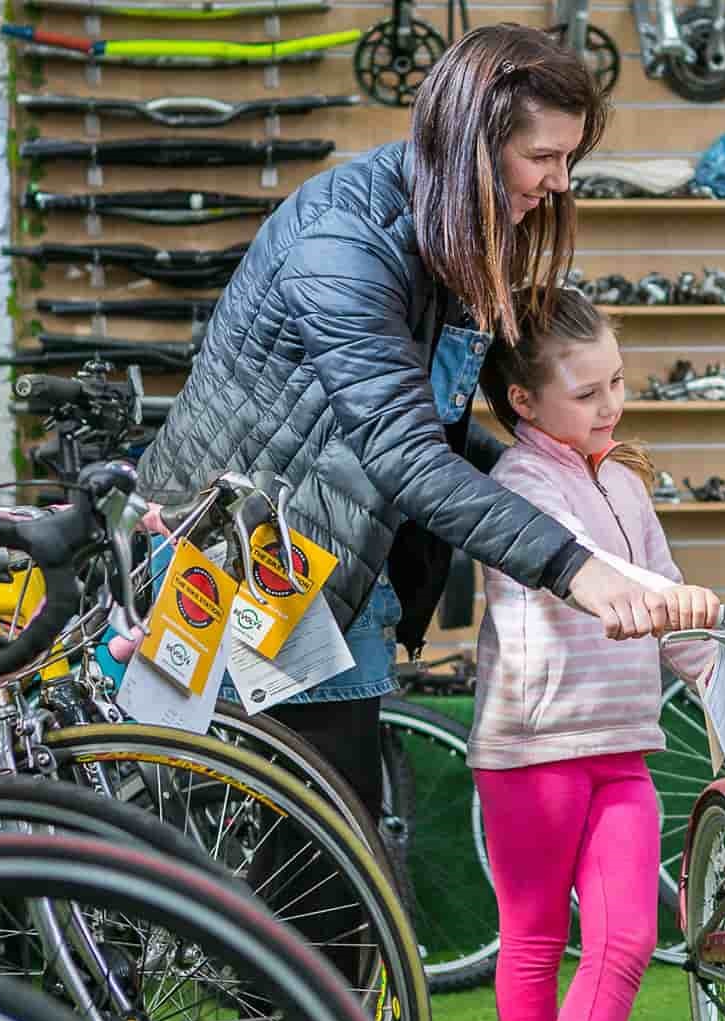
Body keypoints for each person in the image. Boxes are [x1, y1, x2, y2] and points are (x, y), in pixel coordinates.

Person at [135, 25, 673, 833]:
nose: (560, 184)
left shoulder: (446, 235)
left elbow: (436, 426)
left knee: (331, 860)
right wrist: (573, 566)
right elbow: (403, 454)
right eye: (543, 158)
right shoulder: (345, 245)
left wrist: (553, 478)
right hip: (256, 571)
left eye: (570, 160)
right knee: (313, 872)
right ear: (472, 148)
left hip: (326, 568)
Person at [469, 288, 725, 1021]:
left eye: (617, 382)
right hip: (533, 752)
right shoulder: (519, 481)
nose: (610, 405)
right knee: (534, 940)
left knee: (623, 941)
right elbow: (583, 560)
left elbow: (665, 591)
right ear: (523, 400)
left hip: (623, 748)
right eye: (586, 393)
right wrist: (668, 599)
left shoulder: (623, 481)